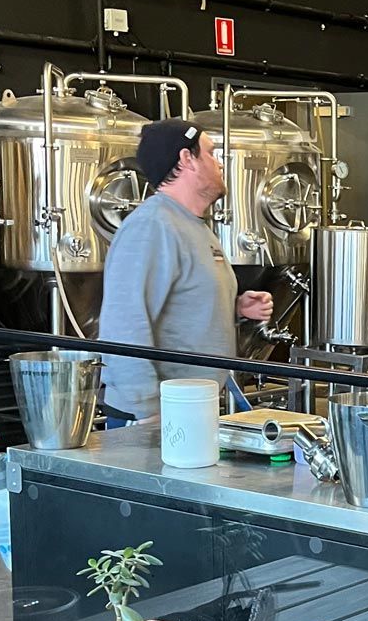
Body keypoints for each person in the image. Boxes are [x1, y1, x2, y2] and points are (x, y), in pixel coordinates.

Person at [98, 120, 273, 421]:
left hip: (188, 406)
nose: (219, 164)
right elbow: (123, 326)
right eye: (210, 153)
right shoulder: (151, 225)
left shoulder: (193, 226)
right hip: (155, 415)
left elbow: (180, 302)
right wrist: (149, 412)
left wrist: (234, 306)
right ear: (186, 159)